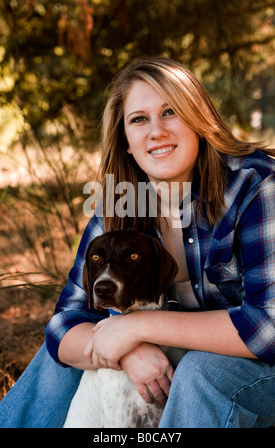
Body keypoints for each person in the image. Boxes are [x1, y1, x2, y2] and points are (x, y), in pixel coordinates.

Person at [0, 57, 275, 428]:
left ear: (199, 119)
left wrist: (136, 328)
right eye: (139, 119)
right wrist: (126, 352)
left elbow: (267, 329)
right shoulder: (119, 205)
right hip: (178, 352)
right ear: (126, 141)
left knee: (200, 369)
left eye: (170, 112)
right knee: (66, 358)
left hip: (259, 370)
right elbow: (66, 321)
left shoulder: (256, 186)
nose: (156, 131)